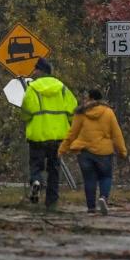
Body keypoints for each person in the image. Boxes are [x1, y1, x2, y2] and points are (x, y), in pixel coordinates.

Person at [19, 57, 78, 210]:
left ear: (40, 71)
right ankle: (51, 202)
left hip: (38, 135)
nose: (34, 72)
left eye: (36, 69)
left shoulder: (32, 88)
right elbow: (73, 111)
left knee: (36, 165)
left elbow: (26, 112)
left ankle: (37, 181)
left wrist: (27, 118)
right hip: (58, 137)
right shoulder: (63, 88)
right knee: (54, 170)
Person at [59, 89, 128, 215]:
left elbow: (72, 133)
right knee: (106, 176)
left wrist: (62, 149)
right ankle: (103, 198)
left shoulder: (81, 113)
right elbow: (116, 133)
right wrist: (122, 151)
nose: (84, 100)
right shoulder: (108, 112)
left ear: (90, 98)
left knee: (89, 179)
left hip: (85, 152)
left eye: (86, 98)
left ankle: (91, 207)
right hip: (104, 152)